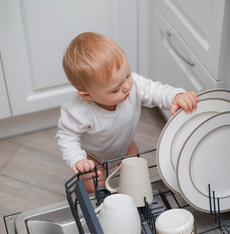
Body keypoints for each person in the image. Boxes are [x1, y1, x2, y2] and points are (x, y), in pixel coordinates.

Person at [56, 32, 198, 191]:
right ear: (87, 95)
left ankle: (133, 196)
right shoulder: (77, 111)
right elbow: (66, 137)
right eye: (115, 89)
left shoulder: (134, 84)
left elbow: (157, 91)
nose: (127, 86)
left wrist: (176, 96)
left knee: (137, 175)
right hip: (93, 155)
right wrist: (78, 160)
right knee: (94, 183)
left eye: (128, 75)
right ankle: (102, 201)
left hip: (125, 145)